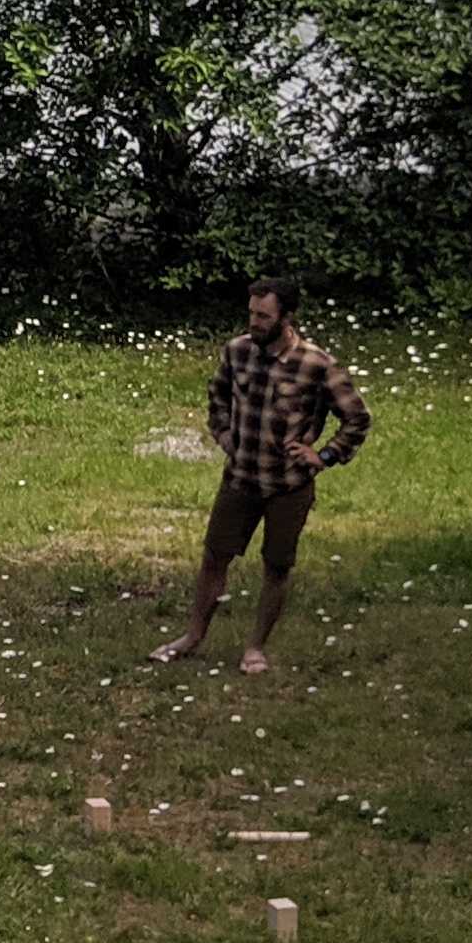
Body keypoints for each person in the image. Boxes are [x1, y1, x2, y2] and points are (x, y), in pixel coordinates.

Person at [154, 275, 369, 673]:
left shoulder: (316, 364)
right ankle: (192, 636)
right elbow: (217, 397)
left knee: (276, 564)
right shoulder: (237, 352)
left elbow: (356, 418)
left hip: (288, 485)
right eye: (252, 313)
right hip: (239, 478)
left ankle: (255, 648)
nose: (254, 322)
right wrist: (223, 435)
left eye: (263, 316)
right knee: (214, 557)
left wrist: (323, 455)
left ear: (286, 317)